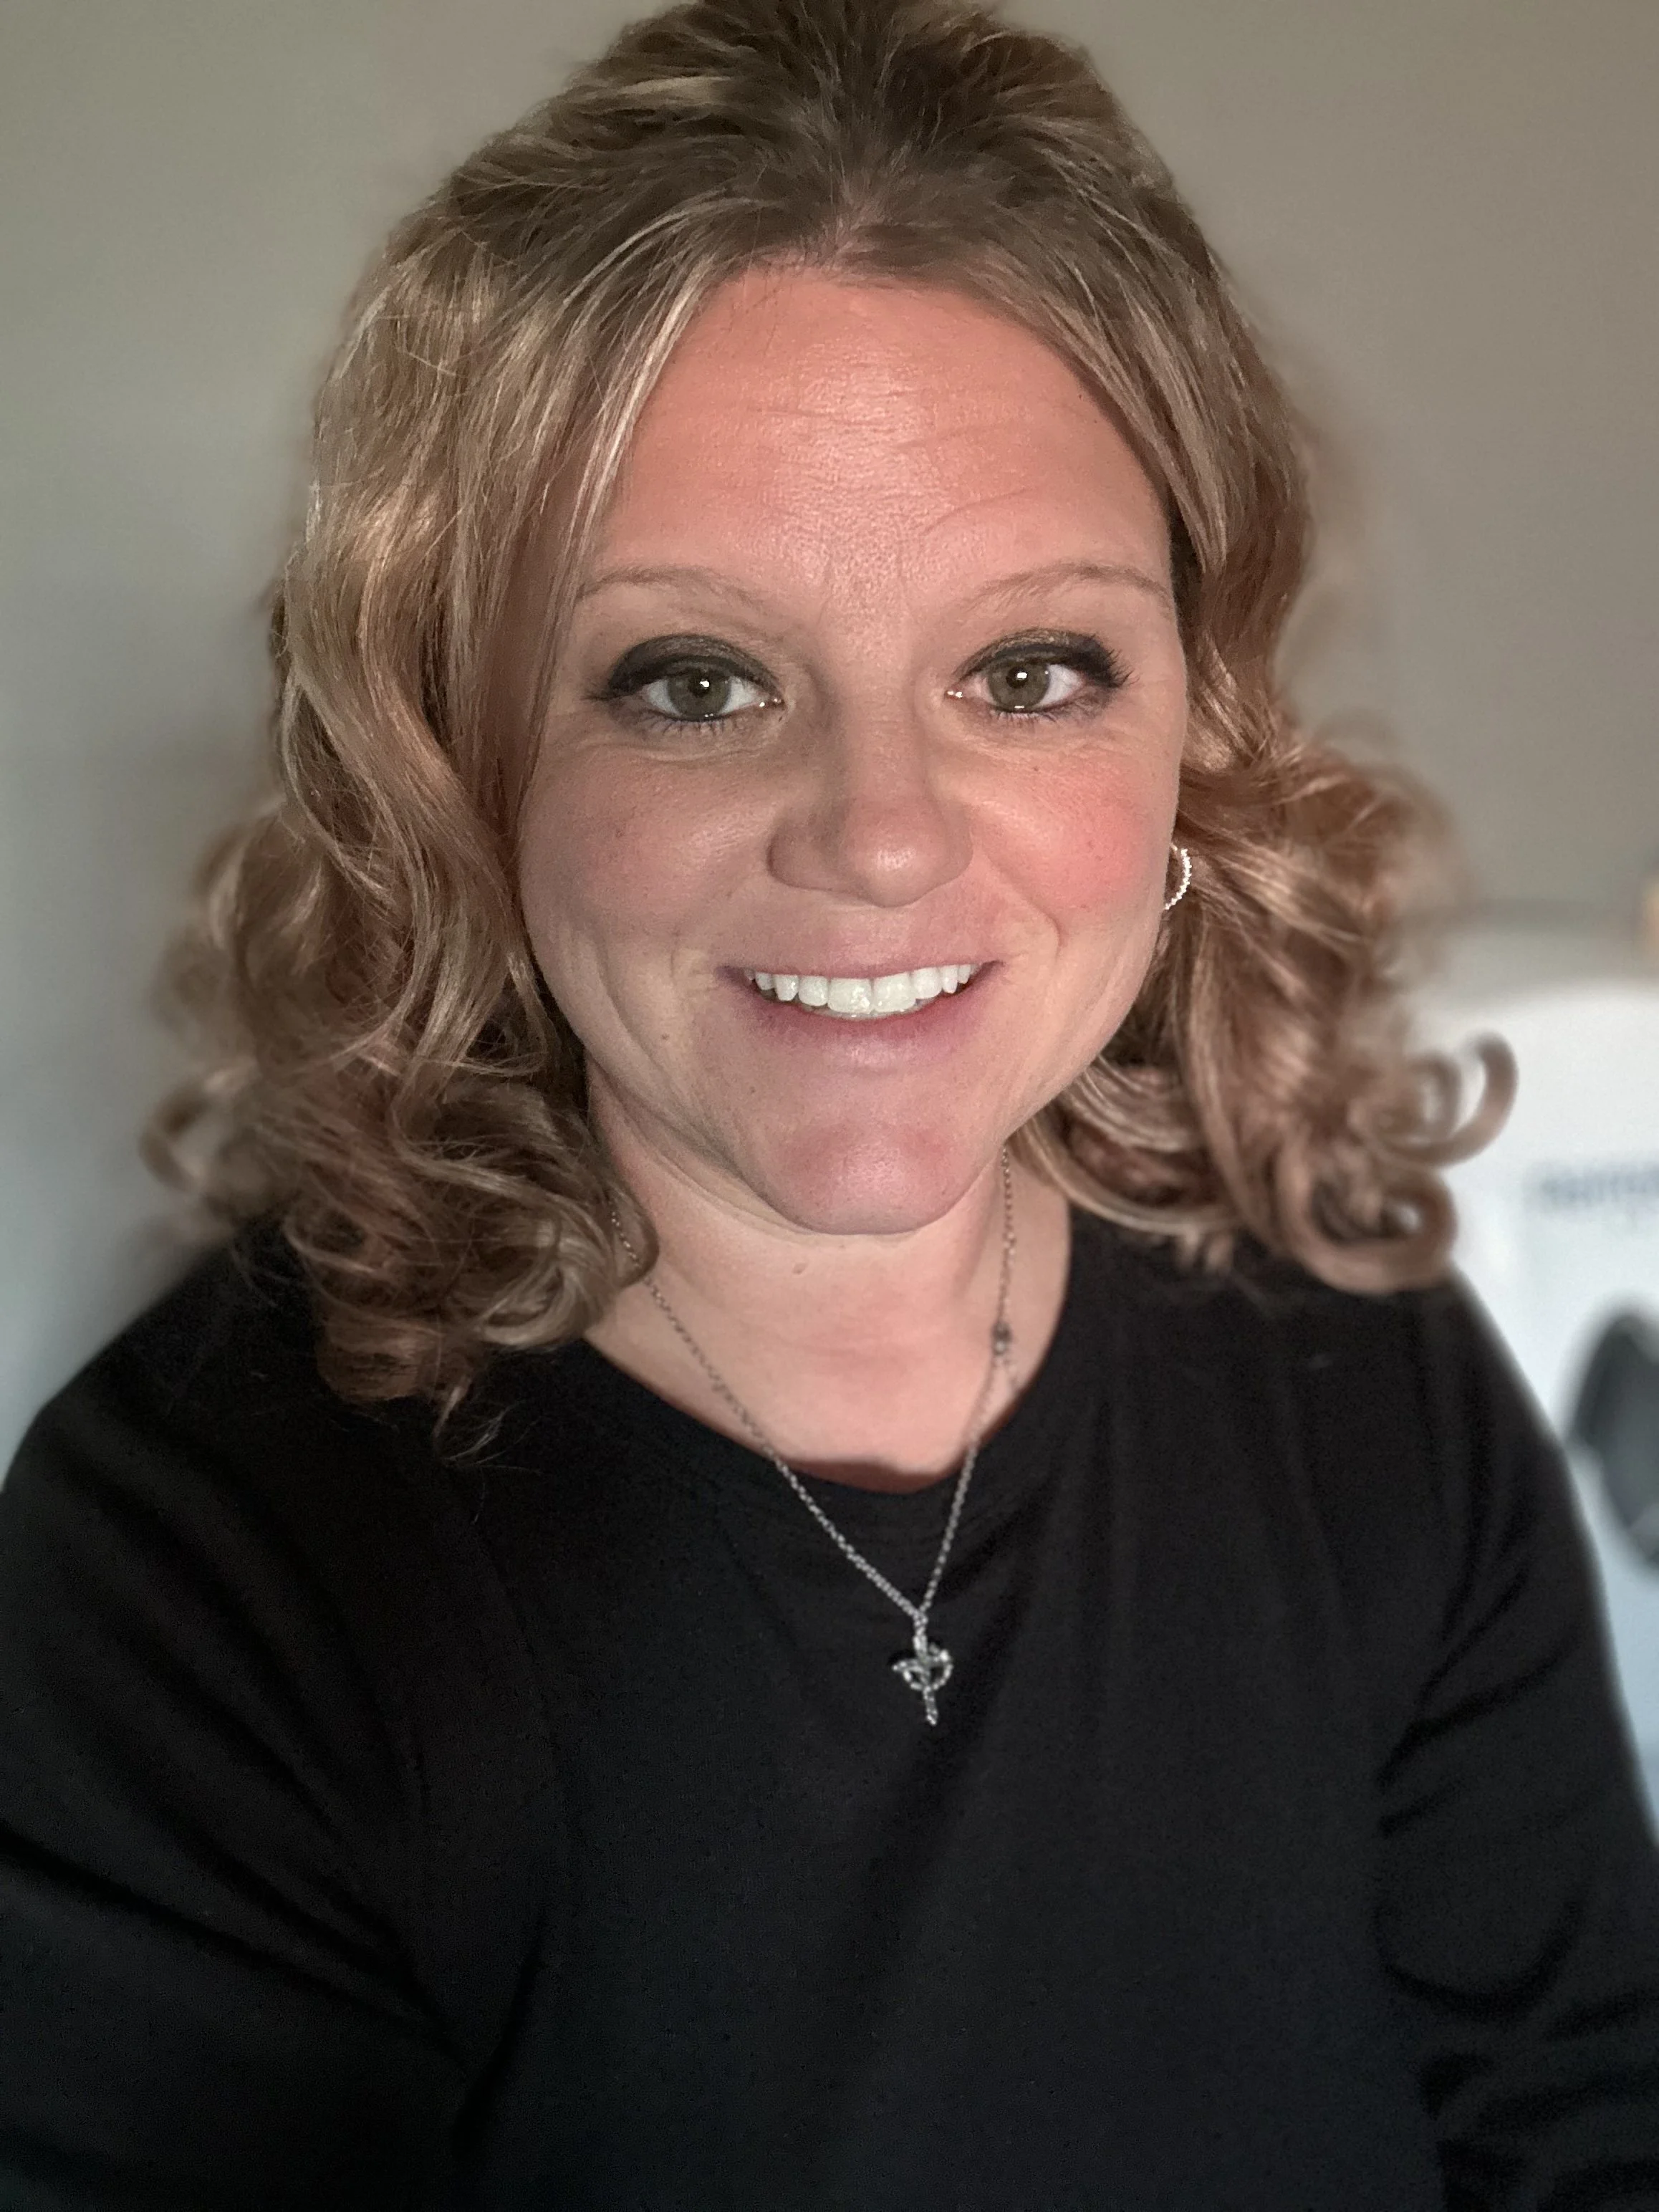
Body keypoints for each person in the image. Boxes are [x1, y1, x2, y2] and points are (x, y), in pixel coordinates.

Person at [4, 1, 1658, 2204]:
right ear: (457, 760)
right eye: (691, 680)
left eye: (1028, 671)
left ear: (1192, 726)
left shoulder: (1358, 1366)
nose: (880, 836)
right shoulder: (206, 1563)